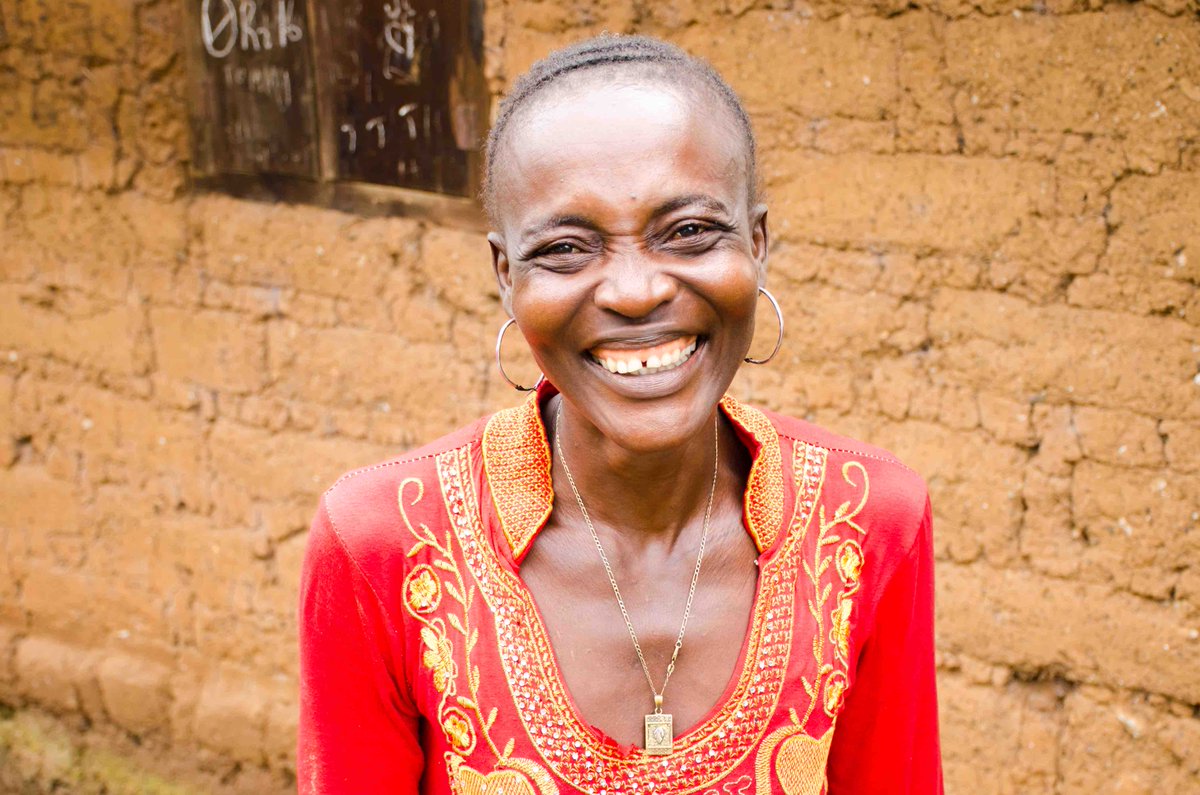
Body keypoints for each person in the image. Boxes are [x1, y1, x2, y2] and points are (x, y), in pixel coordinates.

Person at [298, 34, 942, 794]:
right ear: (506, 276)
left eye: (690, 232)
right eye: (568, 248)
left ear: (758, 243)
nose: (635, 291)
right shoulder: (386, 545)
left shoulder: (868, 524)